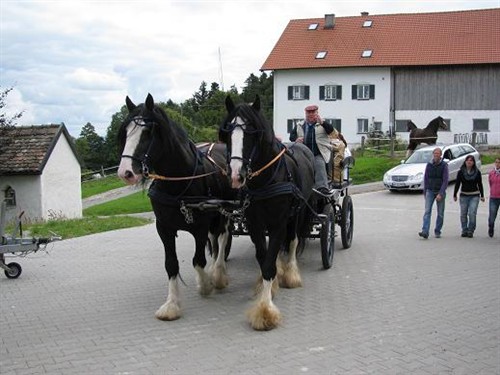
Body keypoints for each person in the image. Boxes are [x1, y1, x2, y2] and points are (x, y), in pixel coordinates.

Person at [289, 104, 334, 195]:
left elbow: (331, 131)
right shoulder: (300, 125)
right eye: (309, 113)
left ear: (317, 113)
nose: (311, 115)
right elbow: (291, 137)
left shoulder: (322, 124)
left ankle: (322, 187)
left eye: (313, 112)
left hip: (318, 153)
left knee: (319, 164)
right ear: (305, 114)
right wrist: (296, 140)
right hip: (303, 155)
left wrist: (323, 123)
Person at [419, 147, 449, 239]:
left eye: (438, 153)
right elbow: (426, 178)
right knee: (427, 211)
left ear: (441, 155)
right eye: (435, 153)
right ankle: (425, 231)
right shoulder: (429, 165)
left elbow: (445, 180)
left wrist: (441, 193)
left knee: (440, 213)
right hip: (430, 190)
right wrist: (425, 191)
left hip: (440, 191)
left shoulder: (444, 165)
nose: (436, 155)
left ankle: (437, 230)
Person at [453, 155, 485, 238]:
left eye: (471, 160)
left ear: (473, 162)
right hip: (464, 195)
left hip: (474, 195)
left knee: (472, 213)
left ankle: (471, 230)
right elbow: (457, 183)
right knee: (463, 214)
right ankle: (464, 230)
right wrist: (455, 194)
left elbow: (480, 184)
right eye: (467, 160)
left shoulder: (477, 172)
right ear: (465, 162)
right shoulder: (461, 172)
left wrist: (482, 195)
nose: (469, 162)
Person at [488, 157, 500, 237]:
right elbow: (490, 183)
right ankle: (491, 227)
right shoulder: (491, 173)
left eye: (499, 162)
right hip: (493, 197)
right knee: (492, 217)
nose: (497, 164)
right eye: (496, 162)